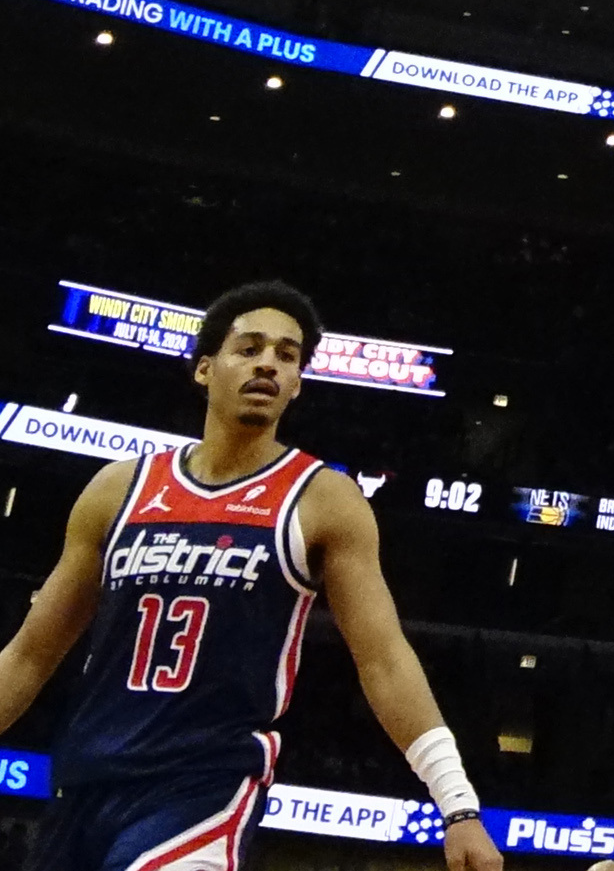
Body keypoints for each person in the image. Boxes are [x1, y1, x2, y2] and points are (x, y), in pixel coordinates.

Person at [0, 282, 504, 871]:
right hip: (85, 781)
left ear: (296, 386)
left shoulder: (322, 500)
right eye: (250, 348)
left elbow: (384, 659)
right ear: (204, 369)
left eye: (287, 356)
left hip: (206, 790)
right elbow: (30, 653)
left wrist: (459, 804)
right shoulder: (118, 490)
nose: (268, 362)